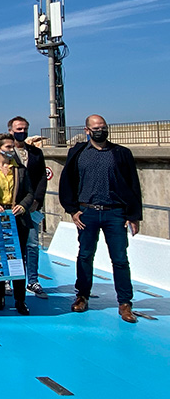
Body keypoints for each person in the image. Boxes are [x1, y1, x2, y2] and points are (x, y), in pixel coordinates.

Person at [59, 114, 142, 324]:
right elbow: (67, 182)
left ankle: (125, 303)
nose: (100, 130)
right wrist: (72, 210)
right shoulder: (78, 153)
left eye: (103, 127)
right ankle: (82, 296)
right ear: (87, 130)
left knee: (120, 259)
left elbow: (133, 184)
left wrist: (133, 215)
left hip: (115, 213)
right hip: (88, 213)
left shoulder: (121, 153)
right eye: (95, 127)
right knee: (85, 255)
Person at [0, 133, 33, 315]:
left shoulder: (20, 169)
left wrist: (23, 206)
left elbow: (29, 193)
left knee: (18, 259)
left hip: (17, 218)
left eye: (12, 147)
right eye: (8, 147)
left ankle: (20, 299)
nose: (11, 150)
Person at [8, 116, 48, 299]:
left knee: (32, 244)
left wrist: (36, 201)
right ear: (10, 130)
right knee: (10, 244)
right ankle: (9, 279)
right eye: (18, 129)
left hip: (31, 207)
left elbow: (41, 178)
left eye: (24, 128)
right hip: (11, 207)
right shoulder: (6, 152)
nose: (21, 132)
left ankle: (32, 279)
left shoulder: (36, 153)